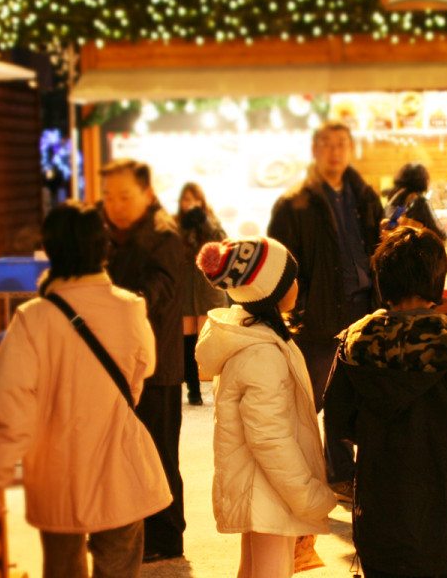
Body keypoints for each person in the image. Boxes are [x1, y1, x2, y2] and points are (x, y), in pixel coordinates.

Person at [0, 203, 171, 577]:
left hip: (57, 472)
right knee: (119, 565)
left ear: (51, 250)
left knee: (63, 568)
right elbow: (142, 371)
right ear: (103, 247)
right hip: (119, 464)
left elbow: (10, 405)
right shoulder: (129, 308)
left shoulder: (33, 318)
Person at [324, 227, 447, 578]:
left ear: (383, 281)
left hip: (381, 502)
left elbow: (338, 420)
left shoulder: (354, 341)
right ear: (437, 279)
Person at [195, 237, 336, 578]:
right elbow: (270, 439)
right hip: (270, 493)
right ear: (272, 291)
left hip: (260, 490)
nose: (298, 285)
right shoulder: (262, 354)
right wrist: (306, 494)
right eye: (291, 278)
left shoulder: (255, 339)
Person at [267, 122, 383, 502]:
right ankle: (317, 474)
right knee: (316, 396)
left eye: (342, 144)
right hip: (319, 311)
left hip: (364, 306)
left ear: (350, 149)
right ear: (315, 150)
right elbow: (282, 262)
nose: (335, 151)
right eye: (327, 145)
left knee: (358, 392)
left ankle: (349, 473)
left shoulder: (364, 196)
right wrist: (294, 309)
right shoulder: (295, 203)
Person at [98, 159, 187, 562]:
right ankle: (140, 531)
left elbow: (158, 294)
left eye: (124, 196)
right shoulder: (111, 234)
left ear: (147, 195)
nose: (115, 205)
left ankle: (167, 538)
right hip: (122, 364)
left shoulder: (161, 236)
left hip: (156, 367)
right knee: (131, 453)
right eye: (108, 197)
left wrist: (107, 302)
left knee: (159, 454)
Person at [175, 182, 228, 405]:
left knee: (212, 339)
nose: (190, 205)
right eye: (186, 200)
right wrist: (184, 229)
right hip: (185, 289)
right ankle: (193, 390)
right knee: (187, 341)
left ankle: (222, 386)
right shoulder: (175, 224)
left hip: (208, 289)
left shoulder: (211, 222)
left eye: (194, 200)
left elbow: (223, 244)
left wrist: (203, 223)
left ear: (201, 201)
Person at [384, 163, 446, 240]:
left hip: (395, 246)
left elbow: (392, 221)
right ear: (422, 180)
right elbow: (439, 233)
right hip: (414, 248)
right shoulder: (420, 201)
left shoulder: (397, 195)